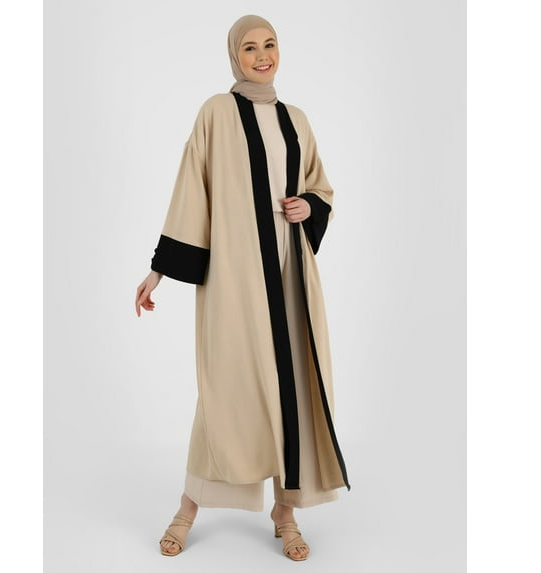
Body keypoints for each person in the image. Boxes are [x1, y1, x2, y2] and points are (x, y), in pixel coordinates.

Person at [135, 14, 350, 561]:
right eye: (250, 47)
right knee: (225, 390)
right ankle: (188, 507)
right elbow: (193, 187)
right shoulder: (216, 112)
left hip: (291, 275)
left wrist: (309, 207)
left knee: (291, 387)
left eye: (269, 45)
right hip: (235, 279)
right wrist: (160, 269)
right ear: (235, 56)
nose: (261, 56)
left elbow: (320, 187)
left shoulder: (296, 120)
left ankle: (286, 512)